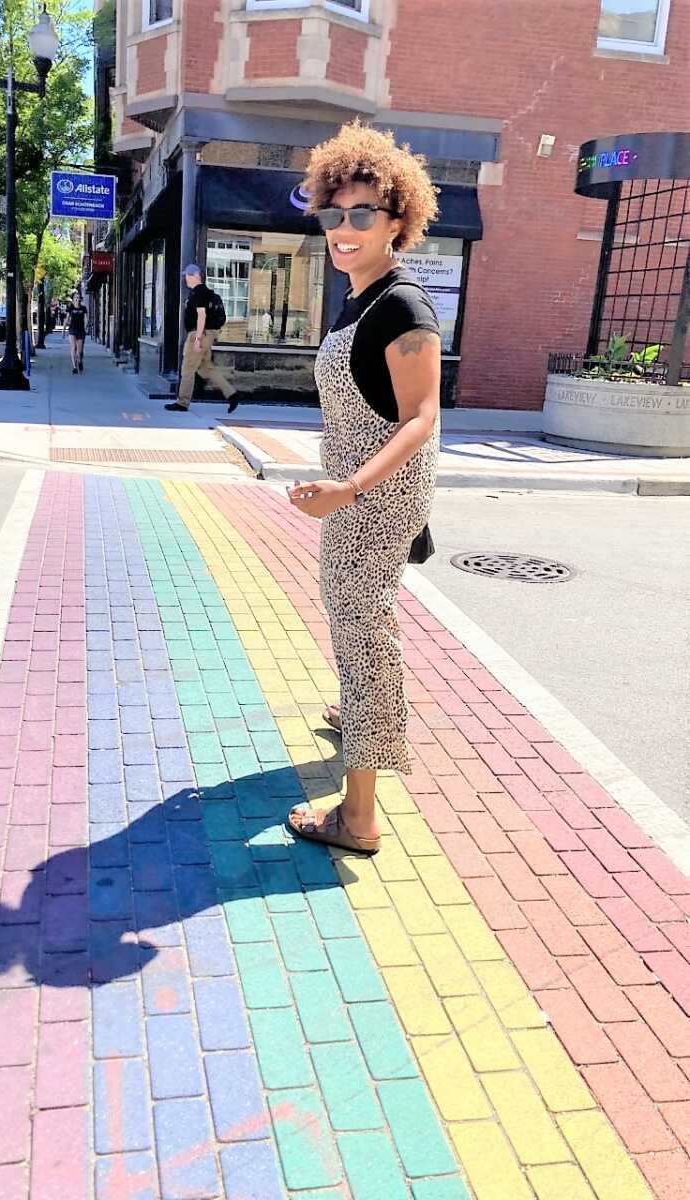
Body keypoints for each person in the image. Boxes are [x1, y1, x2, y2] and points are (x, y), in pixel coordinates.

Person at [284, 120, 442, 857]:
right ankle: (360, 713)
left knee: (363, 630)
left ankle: (359, 818)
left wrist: (350, 487)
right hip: (354, 490)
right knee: (355, 622)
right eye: (333, 213)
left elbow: (422, 417)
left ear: (396, 221)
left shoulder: (404, 305)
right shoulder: (360, 292)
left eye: (361, 215)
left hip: (376, 496)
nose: (343, 229)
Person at [165, 265, 238, 414]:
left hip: (198, 335)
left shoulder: (198, 293)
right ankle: (232, 394)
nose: (185, 278)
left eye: (187, 275)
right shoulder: (204, 293)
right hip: (207, 335)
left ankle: (182, 403)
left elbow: (202, 316)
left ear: (196, 276)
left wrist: (197, 339)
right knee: (206, 369)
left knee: (187, 369)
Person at [64, 291, 87, 373]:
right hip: (72, 330)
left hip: (81, 330)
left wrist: (85, 327)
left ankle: (80, 361)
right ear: (73, 299)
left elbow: (85, 319)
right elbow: (67, 319)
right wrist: (64, 329)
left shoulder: (83, 308)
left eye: (78, 297)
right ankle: (74, 367)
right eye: (75, 298)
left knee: (79, 351)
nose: (77, 299)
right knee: (73, 348)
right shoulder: (71, 308)